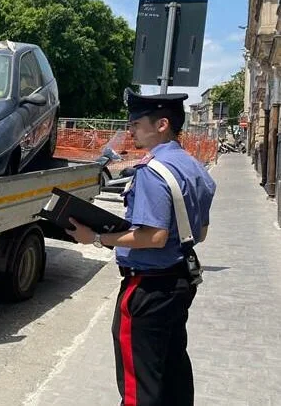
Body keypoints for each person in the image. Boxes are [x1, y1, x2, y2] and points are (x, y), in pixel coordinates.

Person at [66, 88, 216, 406]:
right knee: (173, 369)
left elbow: (153, 236)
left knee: (140, 385)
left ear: (161, 124)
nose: (130, 128)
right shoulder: (194, 167)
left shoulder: (152, 172)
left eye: (136, 122)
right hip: (179, 281)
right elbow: (199, 232)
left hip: (148, 288)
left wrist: (94, 238)